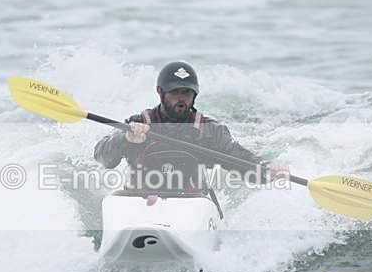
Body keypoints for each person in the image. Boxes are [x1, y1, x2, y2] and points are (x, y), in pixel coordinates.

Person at [93, 61, 283, 192]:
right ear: (160, 92)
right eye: (175, 92)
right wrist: (125, 139)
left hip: (191, 203)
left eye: (187, 93)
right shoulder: (138, 124)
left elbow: (236, 157)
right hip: (139, 199)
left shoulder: (209, 130)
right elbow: (102, 157)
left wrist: (264, 169)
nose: (181, 98)